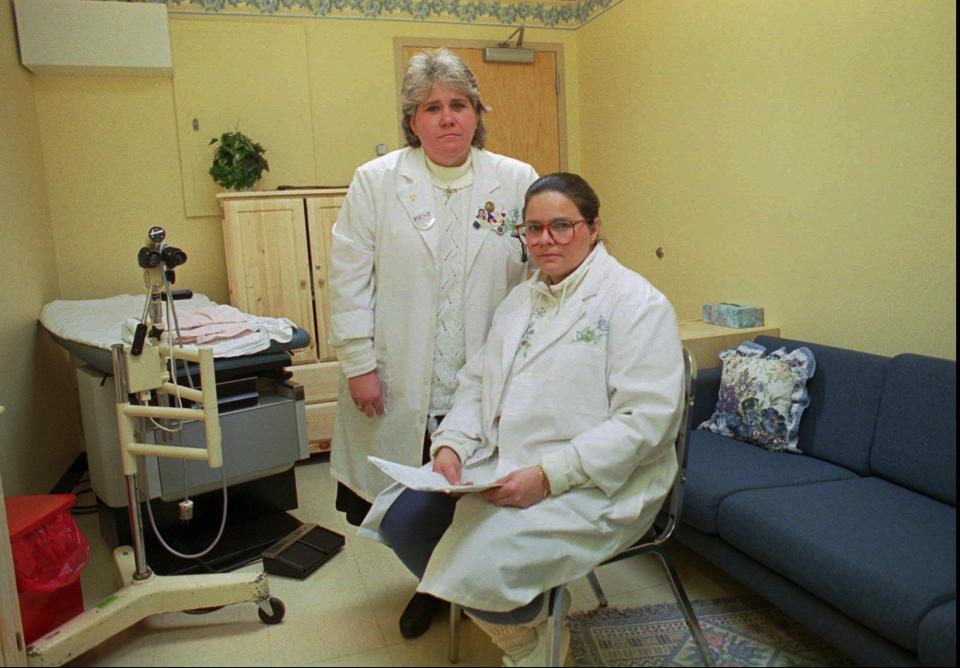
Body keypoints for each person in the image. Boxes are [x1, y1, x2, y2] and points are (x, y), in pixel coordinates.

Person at [359, 172, 685, 666]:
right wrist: (452, 443)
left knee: (484, 557)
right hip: (506, 458)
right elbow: (477, 384)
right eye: (533, 229)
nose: (545, 240)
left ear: (593, 227)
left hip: (597, 479)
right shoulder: (520, 301)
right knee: (403, 523)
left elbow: (645, 423)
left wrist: (550, 477)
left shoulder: (636, 305)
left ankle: (531, 641)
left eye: (561, 225)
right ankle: (530, 628)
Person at [327, 48, 539, 639]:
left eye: (459, 104)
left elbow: (535, 276)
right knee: (412, 497)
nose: (448, 118)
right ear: (412, 120)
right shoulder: (377, 182)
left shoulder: (516, 180)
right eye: (432, 107)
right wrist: (358, 363)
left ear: (476, 113)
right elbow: (347, 278)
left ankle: (475, 586)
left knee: (471, 492)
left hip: (484, 375)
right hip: (401, 373)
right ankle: (430, 586)